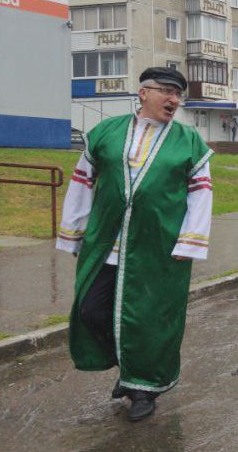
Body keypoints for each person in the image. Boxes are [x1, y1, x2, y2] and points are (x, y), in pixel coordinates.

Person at [56, 67, 213, 422]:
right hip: (106, 244)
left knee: (150, 320)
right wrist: (74, 232)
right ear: (144, 93)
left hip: (159, 248)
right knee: (90, 310)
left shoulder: (189, 142)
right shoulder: (105, 133)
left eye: (178, 95)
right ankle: (130, 367)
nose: (173, 100)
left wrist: (189, 243)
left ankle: (144, 388)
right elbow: (82, 182)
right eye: (166, 92)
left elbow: (201, 195)